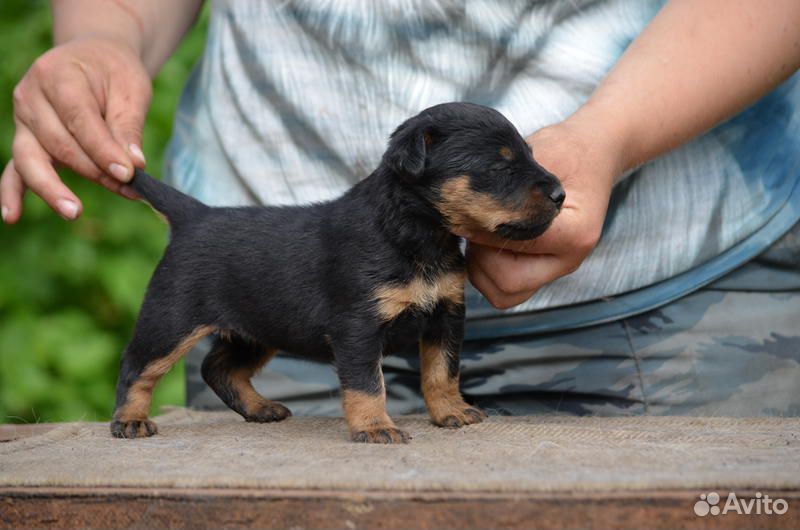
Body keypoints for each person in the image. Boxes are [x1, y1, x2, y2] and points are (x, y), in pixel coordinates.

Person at [4, 0, 800, 417]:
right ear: (418, 166)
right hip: (279, 277)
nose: (532, 181)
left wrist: (612, 136)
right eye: (503, 170)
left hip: (671, 302)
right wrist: (107, 31)